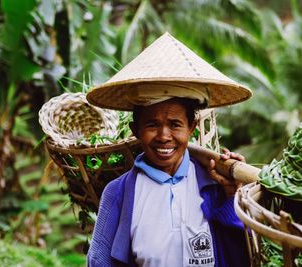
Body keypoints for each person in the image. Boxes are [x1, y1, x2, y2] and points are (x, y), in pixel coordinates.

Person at [86, 32, 253, 267]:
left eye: (175, 125)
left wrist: (233, 198)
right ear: (136, 130)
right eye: (152, 125)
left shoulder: (214, 184)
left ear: (192, 127)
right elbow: (98, 261)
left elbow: (243, 254)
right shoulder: (119, 193)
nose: (164, 137)